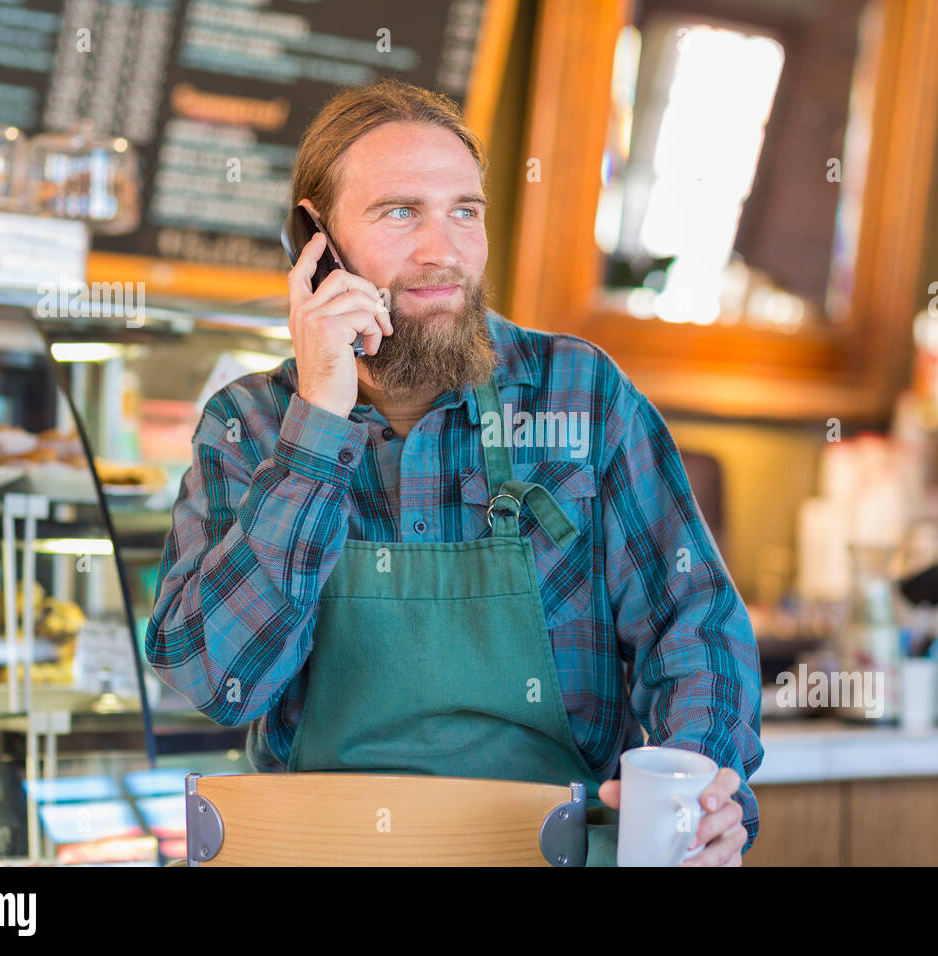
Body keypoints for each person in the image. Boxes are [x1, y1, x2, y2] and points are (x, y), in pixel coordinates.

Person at [146, 78, 762, 866]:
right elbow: (212, 681)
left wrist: (703, 785)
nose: (444, 250)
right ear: (313, 241)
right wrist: (317, 426)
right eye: (401, 212)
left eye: (465, 211)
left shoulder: (584, 393)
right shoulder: (247, 425)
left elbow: (696, 625)